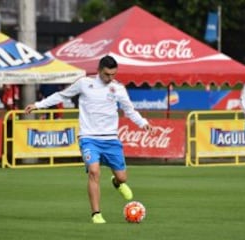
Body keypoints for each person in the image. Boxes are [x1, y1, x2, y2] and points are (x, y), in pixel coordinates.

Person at [25, 55, 153, 223]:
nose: (110, 78)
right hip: (88, 137)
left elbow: (129, 110)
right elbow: (61, 96)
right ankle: (96, 214)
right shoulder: (84, 83)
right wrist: (38, 105)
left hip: (110, 139)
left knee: (123, 177)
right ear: (99, 70)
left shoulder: (118, 88)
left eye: (113, 74)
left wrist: (142, 122)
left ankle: (117, 182)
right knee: (94, 172)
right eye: (107, 74)